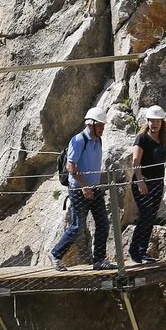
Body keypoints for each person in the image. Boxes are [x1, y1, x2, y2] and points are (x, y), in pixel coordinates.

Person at [51, 107, 114, 271]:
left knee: (103, 224)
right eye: (100, 125)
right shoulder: (78, 140)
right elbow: (70, 166)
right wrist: (85, 186)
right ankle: (56, 255)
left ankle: (99, 260)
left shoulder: (97, 140)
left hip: (94, 189)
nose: (102, 128)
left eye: (102, 125)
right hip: (79, 190)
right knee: (78, 227)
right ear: (90, 124)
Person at [128, 106, 166, 265]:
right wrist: (140, 181)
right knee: (145, 215)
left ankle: (142, 251)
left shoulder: (163, 139)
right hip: (143, 182)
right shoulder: (142, 138)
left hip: (157, 183)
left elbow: (160, 159)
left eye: (157, 121)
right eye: (152, 120)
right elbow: (136, 162)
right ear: (148, 122)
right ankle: (134, 251)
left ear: (161, 122)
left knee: (150, 217)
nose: (155, 124)